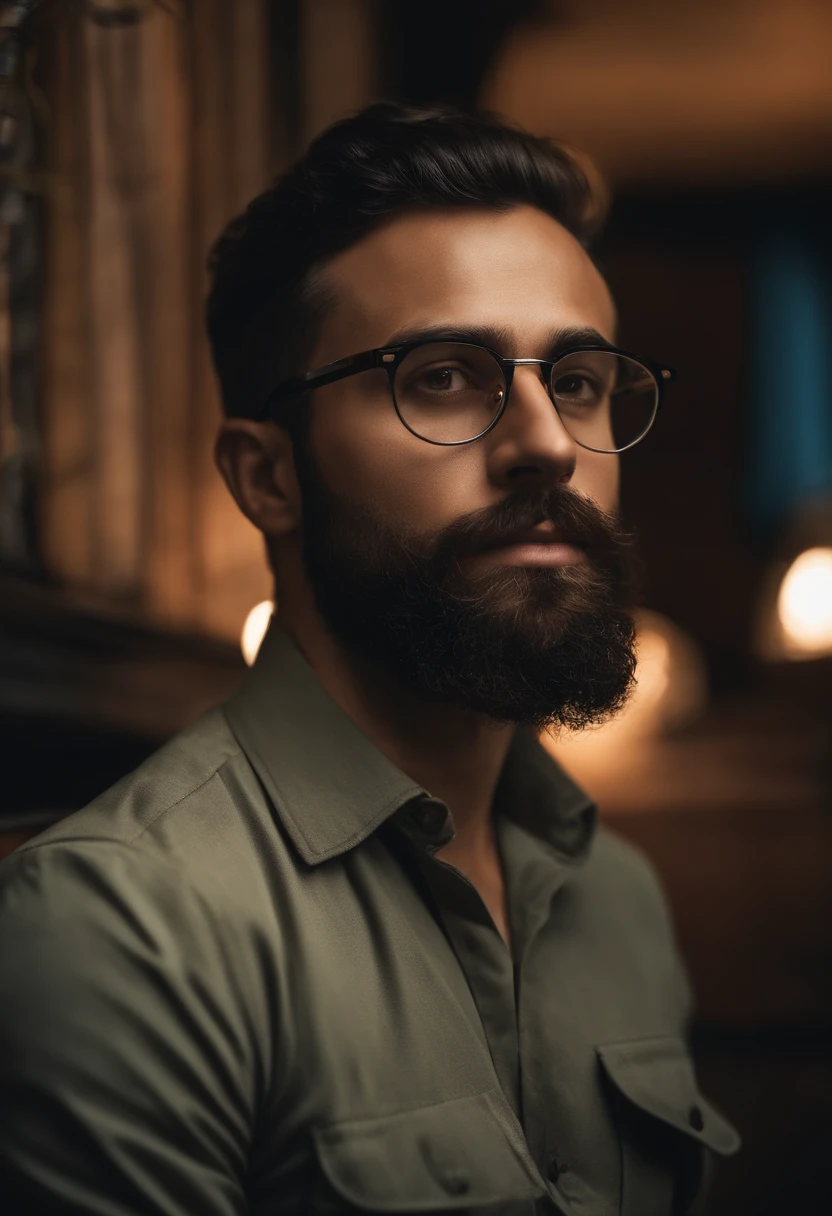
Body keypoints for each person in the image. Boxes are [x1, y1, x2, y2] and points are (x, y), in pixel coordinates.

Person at [0, 102, 739, 1215]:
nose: (545, 442)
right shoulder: (118, 928)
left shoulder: (616, 896)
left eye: (578, 382)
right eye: (443, 375)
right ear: (267, 478)